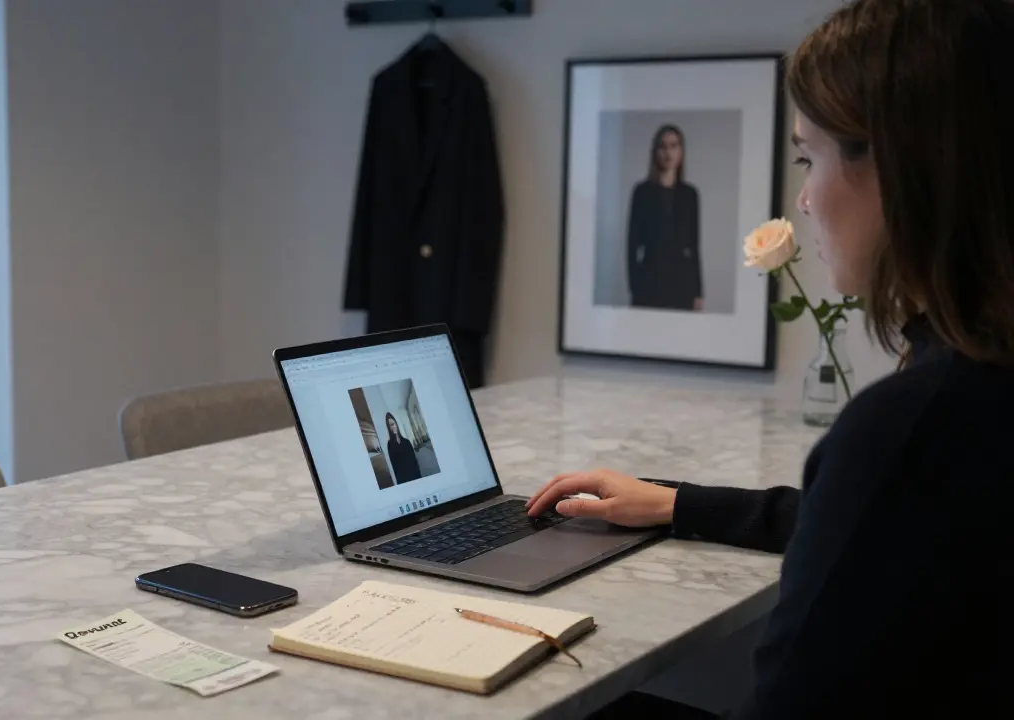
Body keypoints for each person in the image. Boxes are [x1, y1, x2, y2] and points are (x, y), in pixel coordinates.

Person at [532, 1, 1013, 717]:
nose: (804, 199)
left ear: (896, 166)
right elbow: (866, 521)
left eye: (808, 157)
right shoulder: (982, 384)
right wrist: (677, 503)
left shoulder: (909, 426)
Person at [626, 125, 703, 311]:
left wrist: (698, 292)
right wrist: (635, 287)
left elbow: (693, 246)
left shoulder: (690, 194)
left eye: (674, 146)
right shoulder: (642, 192)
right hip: (649, 282)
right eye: (663, 146)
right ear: (655, 152)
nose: (668, 152)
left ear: (681, 152)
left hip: (681, 284)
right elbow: (631, 245)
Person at [384, 412, 422, 484]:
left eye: (393, 424)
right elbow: (394, 466)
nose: (392, 427)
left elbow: (414, 461)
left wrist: (420, 478)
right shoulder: (390, 444)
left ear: (396, 424)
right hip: (403, 480)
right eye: (389, 426)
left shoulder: (406, 442)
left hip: (415, 476)